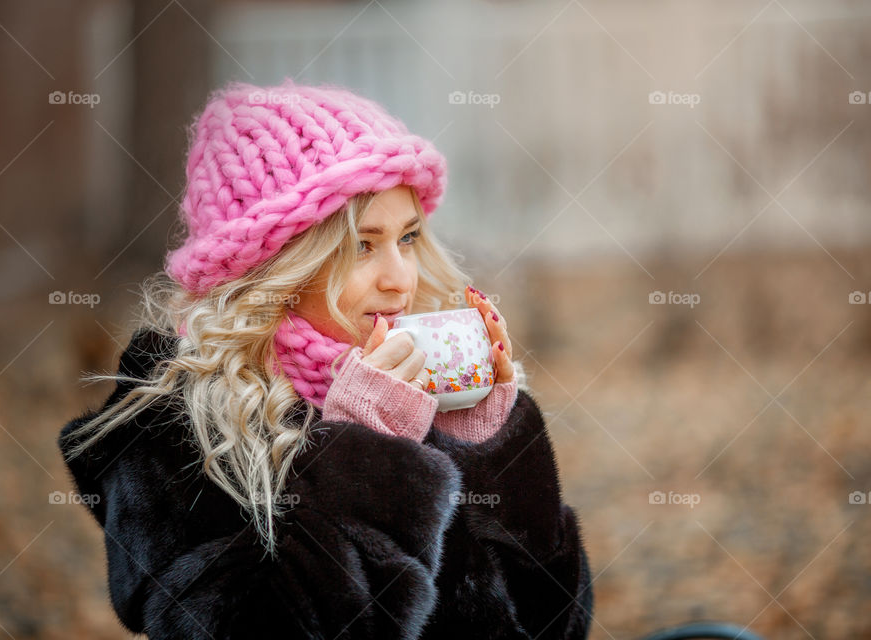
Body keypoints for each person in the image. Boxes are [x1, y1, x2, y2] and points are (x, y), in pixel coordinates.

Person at [57, 79, 593, 639]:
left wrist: (489, 450)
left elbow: (558, 626)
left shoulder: (419, 382)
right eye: (362, 246)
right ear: (277, 266)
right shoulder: (180, 427)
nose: (400, 279)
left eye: (407, 239)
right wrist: (364, 448)